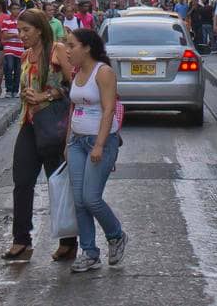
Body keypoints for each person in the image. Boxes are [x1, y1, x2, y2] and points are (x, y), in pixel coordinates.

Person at [2, 9, 77, 264]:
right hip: (29, 123)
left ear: (40, 30)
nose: (21, 35)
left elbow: (74, 87)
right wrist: (27, 95)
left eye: (26, 30)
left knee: (57, 184)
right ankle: (21, 239)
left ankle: (68, 241)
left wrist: (47, 95)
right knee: (22, 181)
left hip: (53, 127)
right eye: (19, 30)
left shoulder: (56, 51)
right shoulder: (25, 55)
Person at [63, 28, 128, 272]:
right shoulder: (76, 72)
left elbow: (109, 109)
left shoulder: (104, 72)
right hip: (77, 143)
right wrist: (67, 144)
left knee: (91, 198)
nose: (67, 51)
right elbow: (73, 109)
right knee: (79, 201)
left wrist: (100, 144)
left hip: (100, 142)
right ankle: (89, 252)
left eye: (72, 46)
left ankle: (116, 235)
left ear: (87, 47)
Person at [0, 2, 24, 98]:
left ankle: (15, 90)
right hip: (9, 48)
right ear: (10, 10)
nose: (16, 11)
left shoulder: (22, 22)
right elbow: (4, 35)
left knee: (18, 70)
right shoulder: (6, 21)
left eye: (18, 9)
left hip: (19, 48)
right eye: (14, 9)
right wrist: (15, 35)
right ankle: (8, 89)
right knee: (9, 67)